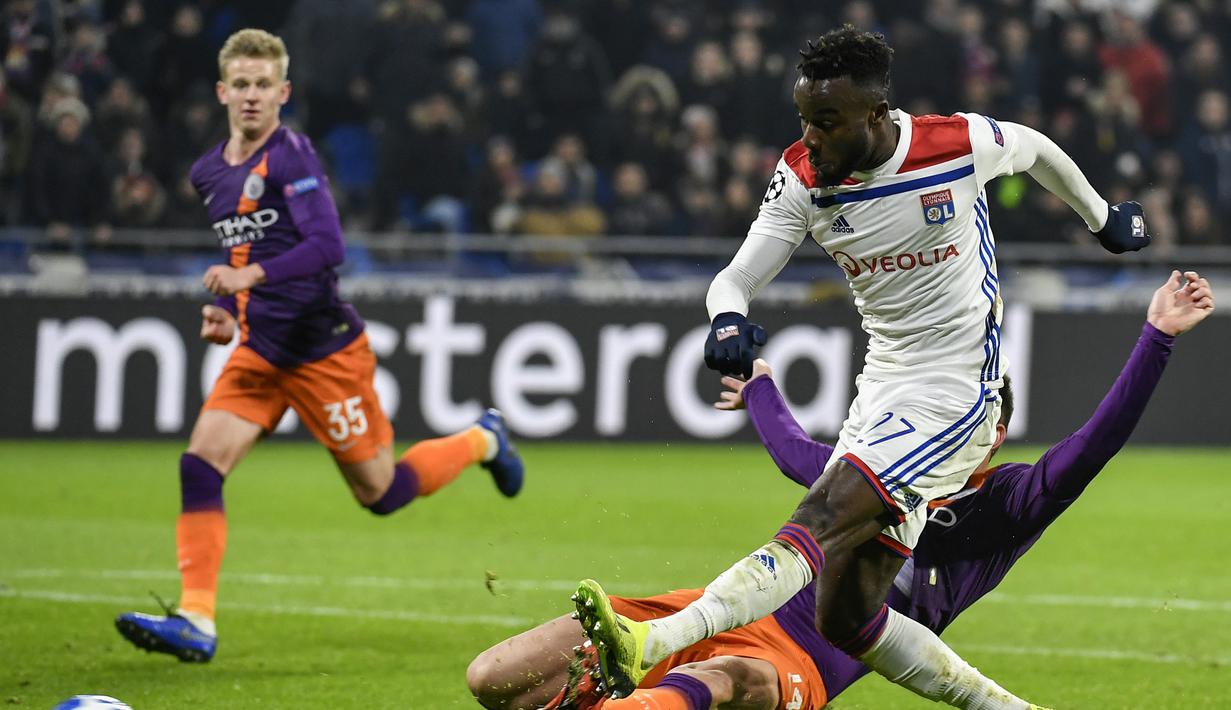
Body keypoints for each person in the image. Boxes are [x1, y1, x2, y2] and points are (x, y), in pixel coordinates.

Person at [575, 26, 1153, 708]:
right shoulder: (800, 177)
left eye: (826, 122)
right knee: (843, 615)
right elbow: (733, 278)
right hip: (879, 390)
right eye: (804, 120)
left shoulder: (952, 145)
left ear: (875, 116)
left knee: (820, 514)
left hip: (958, 395)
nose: (811, 138)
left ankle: (655, 641)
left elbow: (1033, 149)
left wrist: (1101, 217)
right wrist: (725, 319)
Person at [467, 271, 1214, 710]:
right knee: (494, 678)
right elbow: (798, 455)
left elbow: (1094, 445)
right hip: (724, 609)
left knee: (726, 682)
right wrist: (760, 387)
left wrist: (1157, 335)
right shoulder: (884, 466)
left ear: (994, 433)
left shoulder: (1010, 504)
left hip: (801, 660)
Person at [113, 29, 525, 663]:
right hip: (258, 351)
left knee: (381, 495)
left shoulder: (292, 156)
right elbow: (242, 249)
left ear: (284, 92)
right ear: (223, 91)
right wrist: (227, 309)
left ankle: (483, 438)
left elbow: (328, 248)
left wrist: (248, 280)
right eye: (240, 85)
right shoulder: (208, 172)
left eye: (263, 85)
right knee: (199, 465)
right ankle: (196, 619)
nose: (251, 97)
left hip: (323, 352)